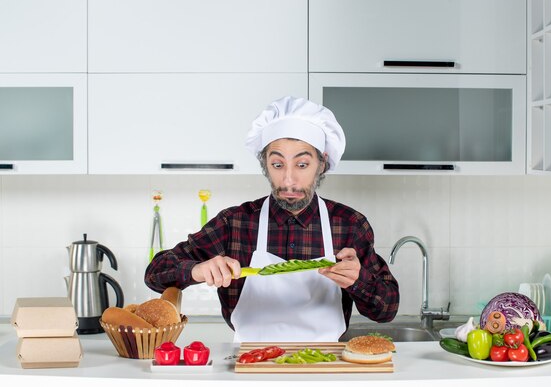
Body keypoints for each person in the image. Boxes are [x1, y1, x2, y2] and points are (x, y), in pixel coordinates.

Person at [144, 96, 399, 342]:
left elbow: (386, 310)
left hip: (324, 365)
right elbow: (155, 273)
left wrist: (359, 280)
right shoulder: (234, 223)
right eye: (278, 165)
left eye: (302, 165)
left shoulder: (349, 225)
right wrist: (197, 270)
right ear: (265, 165)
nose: (289, 180)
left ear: (322, 164)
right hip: (249, 364)